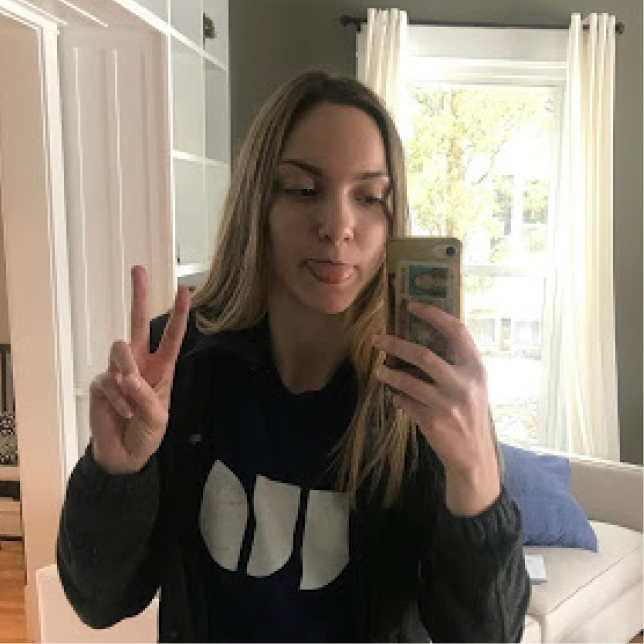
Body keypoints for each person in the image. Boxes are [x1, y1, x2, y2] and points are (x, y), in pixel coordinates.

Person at [55, 69, 530, 644]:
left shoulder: (420, 390)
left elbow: (488, 636)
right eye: (304, 189)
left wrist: (475, 477)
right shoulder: (177, 364)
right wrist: (117, 473)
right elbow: (100, 601)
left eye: (369, 197)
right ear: (259, 202)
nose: (337, 226)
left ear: (391, 219)